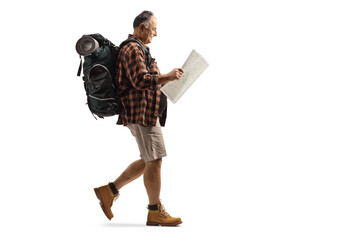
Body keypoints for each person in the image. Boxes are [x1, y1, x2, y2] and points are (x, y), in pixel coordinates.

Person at [94, 10, 184, 226]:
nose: (156, 33)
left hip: (144, 112)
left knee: (148, 159)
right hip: (141, 114)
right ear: (142, 26)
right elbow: (140, 80)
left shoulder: (139, 48)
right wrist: (167, 76)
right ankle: (154, 211)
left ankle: (109, 191)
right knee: (155, 159)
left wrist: (170, 80)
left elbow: (148, 81)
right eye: (153, 29)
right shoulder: (133, 48)